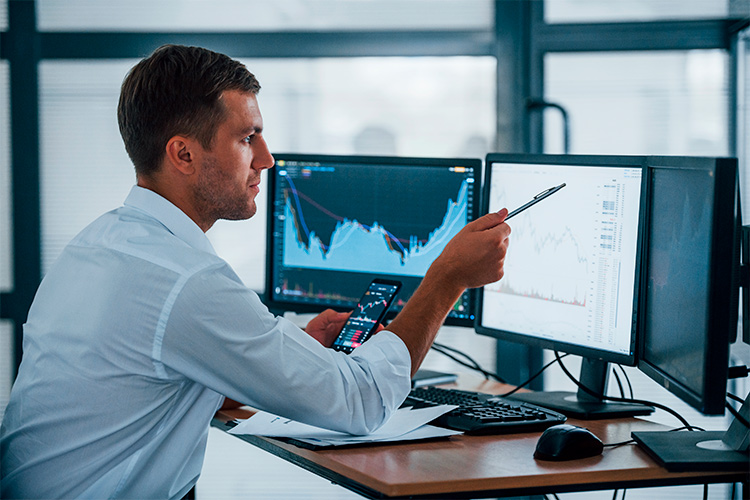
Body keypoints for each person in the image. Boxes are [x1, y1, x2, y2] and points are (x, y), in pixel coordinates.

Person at [0, 44, 510, 499]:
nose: (265, 159)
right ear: (183, 153)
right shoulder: (186, 280)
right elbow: (358, 403)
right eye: (248, 138)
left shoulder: (99, 243)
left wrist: (289, 351)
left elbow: (139, 382)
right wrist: (447, 279)